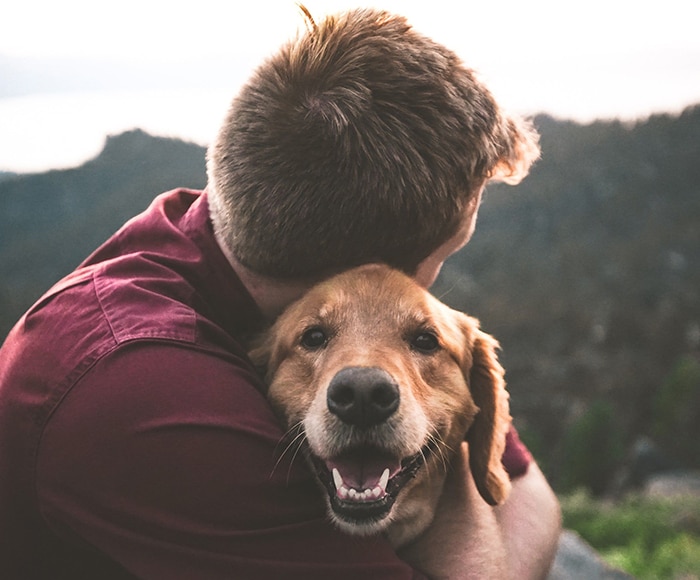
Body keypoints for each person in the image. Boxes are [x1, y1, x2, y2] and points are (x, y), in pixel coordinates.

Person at [0, 7, 561, 579]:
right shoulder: (145, 393)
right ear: (366, 268)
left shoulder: (236, 230)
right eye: (445, 255)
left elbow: (529, 490)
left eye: (414, 329)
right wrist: (457, 485)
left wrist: (452, 452)